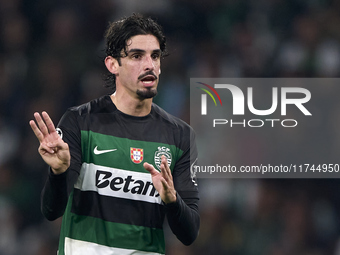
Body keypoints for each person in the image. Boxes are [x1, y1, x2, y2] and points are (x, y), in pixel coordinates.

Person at [29, 13, 200, 255]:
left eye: (155, 56)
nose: (149, 64)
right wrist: (58, 173)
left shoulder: (180, 136)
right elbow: (51, 211)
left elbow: (189, 233)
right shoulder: (80, 122)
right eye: (137, 56)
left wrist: (173, 201)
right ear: (113, 65)